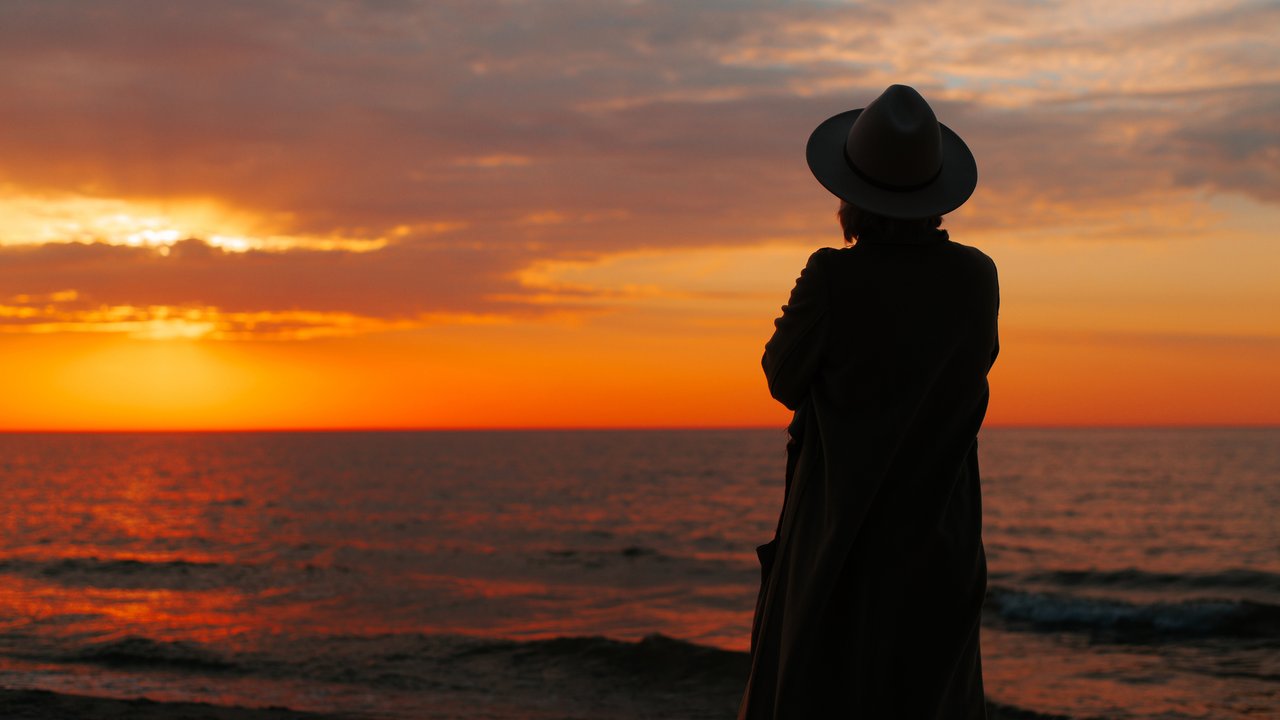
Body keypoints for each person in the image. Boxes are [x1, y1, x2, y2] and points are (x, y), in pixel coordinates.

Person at [738, 84, 999, 719]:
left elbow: (781, 377)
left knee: (819, 689)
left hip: (841, 530)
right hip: (942, 531)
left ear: (851, 194)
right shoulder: (976, 276)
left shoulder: (833, 277)